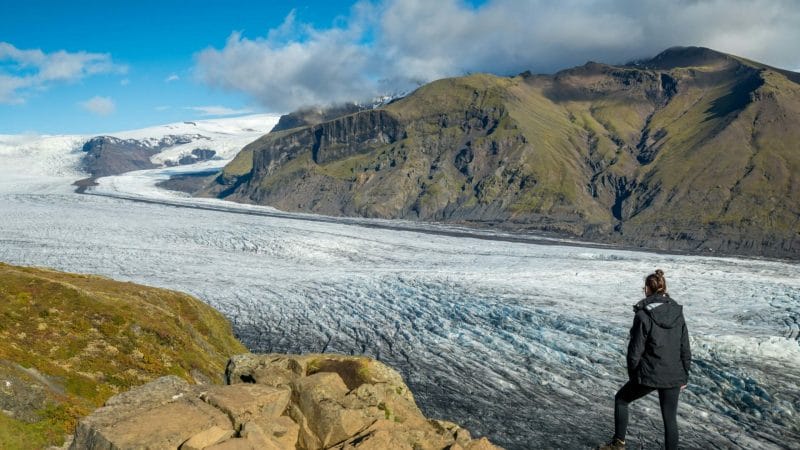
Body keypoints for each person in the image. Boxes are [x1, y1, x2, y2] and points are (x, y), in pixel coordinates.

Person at [600, 269, 691, 450]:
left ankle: (618, 444)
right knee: (670, 418)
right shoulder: (677, 312)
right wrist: (684, 375)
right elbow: (685, 346)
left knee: (621, 400)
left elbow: (635, 350)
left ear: (648, 289)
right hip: (674, 374)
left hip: (650, 373)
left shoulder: (643, 315)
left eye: (645, 287)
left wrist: (634, 375)